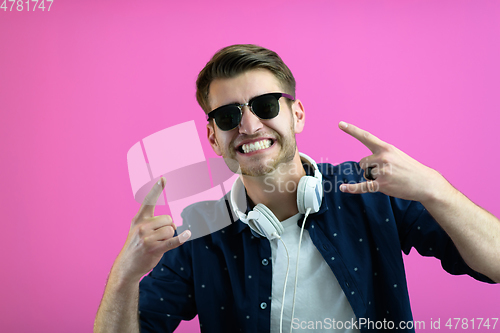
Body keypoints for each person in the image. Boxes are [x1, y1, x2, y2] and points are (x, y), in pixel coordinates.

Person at [94, 44, 500, 333]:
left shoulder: (370, 190)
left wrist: (436, 189)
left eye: (266, 105)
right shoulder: (198, 232)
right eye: (228, 115)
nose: (250, 126)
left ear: (297, 114)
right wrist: (126, 274)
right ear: (214, 137)